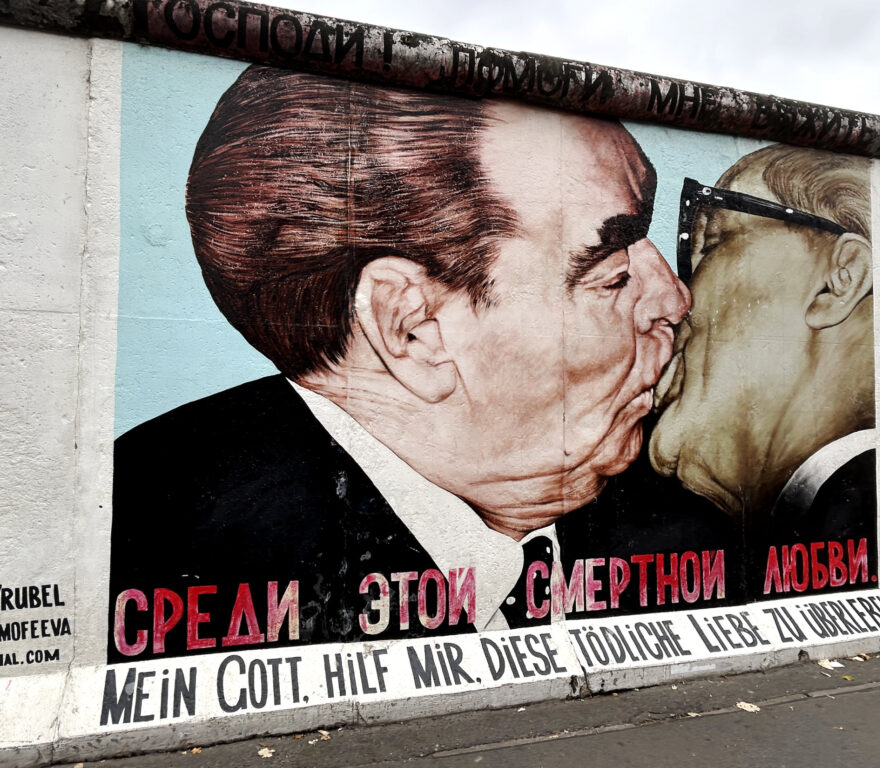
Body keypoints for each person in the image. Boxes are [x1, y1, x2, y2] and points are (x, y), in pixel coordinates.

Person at [108, 66, 689, 661]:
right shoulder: (150, 545)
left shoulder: (681, 523)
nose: (673, 301)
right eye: (612, 277)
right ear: (410, 329)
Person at [649, 145, 875, 594]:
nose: (678, 298)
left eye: (713, 243)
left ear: (839, 280)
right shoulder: (828, 513)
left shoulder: (861, 508)